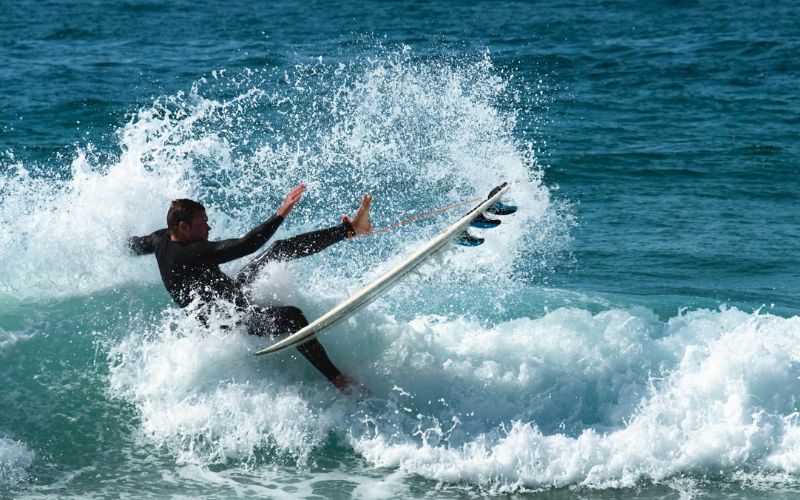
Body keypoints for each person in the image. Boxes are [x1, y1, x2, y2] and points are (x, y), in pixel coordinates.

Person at [127, 183, 372, 392]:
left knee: (279, 249)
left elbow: (139, 244)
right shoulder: (192, 253)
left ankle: (351, 228)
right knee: (293, 317)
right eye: (203, 224)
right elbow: (247, 244)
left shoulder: (161, 239)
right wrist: (282, 212)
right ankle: (339, 381)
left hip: (231, 296)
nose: (208, 229)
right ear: (183, 227)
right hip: (230, 324)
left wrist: (113, 243)